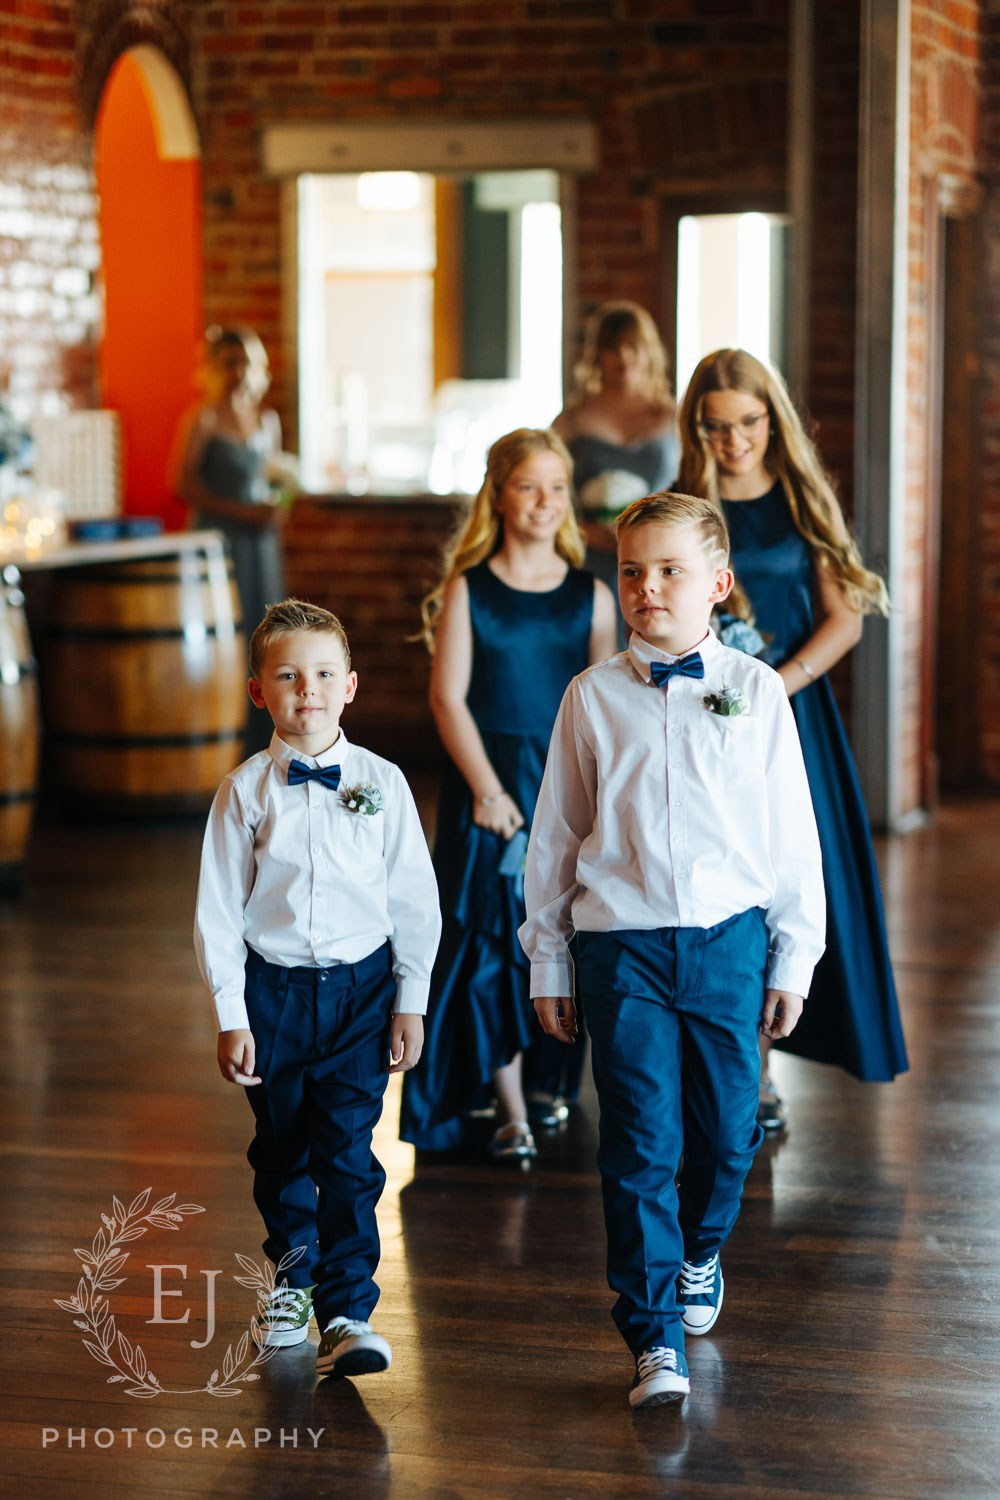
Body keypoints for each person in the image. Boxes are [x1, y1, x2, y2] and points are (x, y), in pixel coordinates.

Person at [519, 491, 825, 1408]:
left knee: (730, 1135)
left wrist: (793, 957)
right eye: (632, 572)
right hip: (623, 949)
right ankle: (652, 1336)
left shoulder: (758, 692)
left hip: (730, 943)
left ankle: (699, 1252)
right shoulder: (591, 697)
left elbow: (791, 835)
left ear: (719, 586)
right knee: (641, 1142)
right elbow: (556, 837)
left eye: (670, 571)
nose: (647, 588)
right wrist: (550, 957)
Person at [194, 598, 441, 1382]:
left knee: (347, 1151)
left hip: (363, 995)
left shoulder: (383, 781)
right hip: (274, 996)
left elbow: (413, 901)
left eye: (325, 674)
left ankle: (348, 1307)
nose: (310, 689)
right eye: (290, 675)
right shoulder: (244, 791)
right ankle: (291, 1284)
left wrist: (412, 998)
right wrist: (232, 1016)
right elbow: (217, 912)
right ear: (258, 691)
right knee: (282, 1149)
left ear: (352, 686)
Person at [677, 348, 909, 1131]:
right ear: (697, 429)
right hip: (700, 724)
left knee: (783, 884)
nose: (733, 440)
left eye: (746, 423)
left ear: (771, 419)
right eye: (715, 427)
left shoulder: (803, 500)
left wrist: (781, 682)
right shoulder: (684, 503)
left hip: (790, 716)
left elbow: (846, 615)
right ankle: (731, 1064)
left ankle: (764, 1071)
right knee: (718, 886)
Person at [399, 429, 618, 1161]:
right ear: (498, 494)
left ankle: (553, 1082)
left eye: (558, 488)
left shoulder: (592, 595)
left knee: (563, 926)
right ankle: (510, 1106)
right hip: (488, 787)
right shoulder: (470, 589)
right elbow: (446, 700)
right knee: (492, 938)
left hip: (562, 779)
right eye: (529, 487)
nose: (546, 502)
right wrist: (489, 793)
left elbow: (601, 706)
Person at [172, 327, 293, 750]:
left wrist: (278, 506)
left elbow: (275, 481)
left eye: (246, 362)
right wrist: (242, 513)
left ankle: (268, 734)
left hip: (261, 545)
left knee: (266, 633)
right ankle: (226, 735)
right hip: (220, 541)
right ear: (214, 369)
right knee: (227, 633)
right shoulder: (202, 419)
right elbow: (181, 484)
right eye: (229, 362)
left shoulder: (266, 420)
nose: (239, 372)